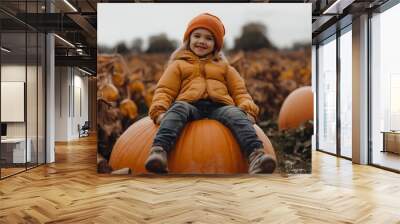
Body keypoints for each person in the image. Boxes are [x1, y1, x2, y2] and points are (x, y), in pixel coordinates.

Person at [145, 13, 276, 174]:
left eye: (209, 38)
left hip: (219, 107)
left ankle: (257, 156)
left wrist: (247, 109)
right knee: (177, 109)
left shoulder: (225, 68)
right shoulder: (178, 65)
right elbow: (165, 90)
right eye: (197, 36)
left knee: (237, 115)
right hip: (189, 105)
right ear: (188, 39)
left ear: (216, 44)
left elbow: (240, 91)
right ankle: (159, 151)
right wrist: (159, 111)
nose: (201, 41)